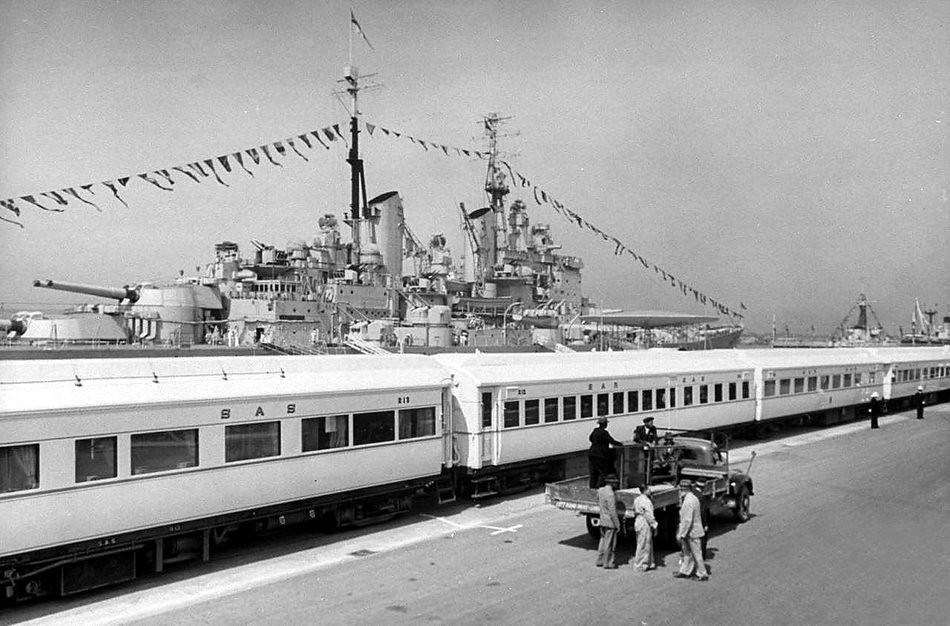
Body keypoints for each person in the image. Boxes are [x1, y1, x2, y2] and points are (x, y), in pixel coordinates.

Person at [673, 479, 709, 581]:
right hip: (691, 531)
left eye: (681, 489)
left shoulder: (689, 501)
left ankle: (702, 574)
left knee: (696, 554)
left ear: (684, 489)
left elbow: (687, 520)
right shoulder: (692, 498)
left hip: (692, 532)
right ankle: (685, 571)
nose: (680, 491)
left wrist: (682, 534)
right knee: (687, 553)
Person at [588, 417, 623, 488]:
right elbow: (611, 441)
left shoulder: (595, 430)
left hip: (592, 453)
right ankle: (601, 487)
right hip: (600, 455)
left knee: (593, 472)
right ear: (605, 424)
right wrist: (620, 444)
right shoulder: (604, 432)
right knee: (602, 472)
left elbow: (590, 438)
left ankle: (592, 487)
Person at [595, 475, 621, 569]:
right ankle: (608, 562)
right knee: (609, 544)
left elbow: (597, 500)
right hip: (610, 522)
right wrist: (617, 524)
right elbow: (612, 511)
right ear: (612, 483)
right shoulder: (610, 494)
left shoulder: (600, 490)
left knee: (602, 540)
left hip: (602, 520)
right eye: (615, 482)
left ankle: (600, 560)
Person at [632, 484, 658, 571]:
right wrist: (654, 524)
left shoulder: (637, 499)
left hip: (638, 520)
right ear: (645, 490)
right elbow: (648, 514)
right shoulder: (646, 501)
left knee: (643, 542)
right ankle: (640, 564)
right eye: (649, 489)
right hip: (644, 522)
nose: (650, 491)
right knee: (644, 544)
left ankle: (649, 563)